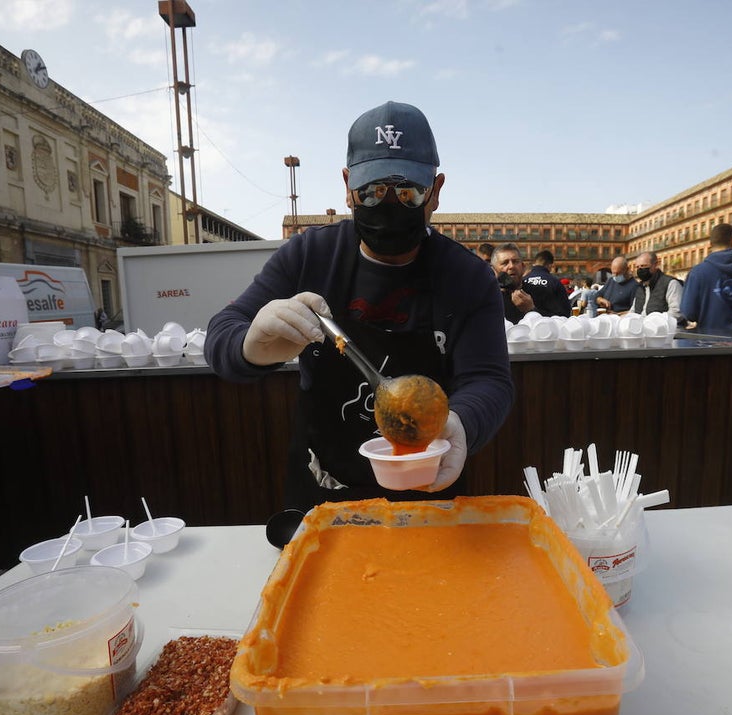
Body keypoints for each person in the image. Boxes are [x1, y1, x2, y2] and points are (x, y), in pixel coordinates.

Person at [204, 101, 514, 514]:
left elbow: (490, 380)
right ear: (348, 186)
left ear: (435, 192)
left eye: (408, 192)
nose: (388, 205)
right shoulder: (309, 256)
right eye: (371, 191)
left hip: (428, 489)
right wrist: (251, 346)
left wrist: (460, 423)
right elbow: (223, 333)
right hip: (322, 492)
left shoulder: (468, 277)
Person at [629, 250, 685, 322]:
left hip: (665, 331)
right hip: (642, 330)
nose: (640, 269)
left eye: (644, 266)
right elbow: (633, 310)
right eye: (637, 267)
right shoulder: (640, 287)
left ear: (655, 265)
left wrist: (655, 322)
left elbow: (677, 312)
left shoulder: (670, 283)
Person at [491, 242, 535, 323]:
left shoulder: (539, 292)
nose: (511, 266)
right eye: (505, 263)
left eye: (515, 261)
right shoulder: (487, 298)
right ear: (494, 270)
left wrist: (531, 310)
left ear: (523, 266)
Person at [521, 250, 571, 317]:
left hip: (524, 324)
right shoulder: (555, 282)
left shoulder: (522, 281)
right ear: (550, 265)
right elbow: (566, 311)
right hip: (549, 323)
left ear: (535, 262)